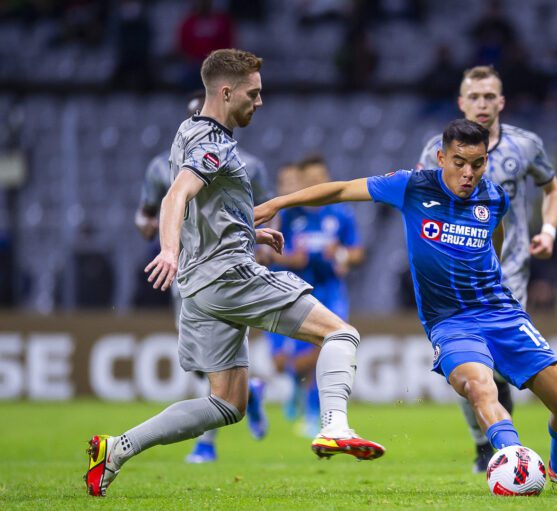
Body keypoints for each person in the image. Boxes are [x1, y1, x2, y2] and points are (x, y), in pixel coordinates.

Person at [85, 49, 384, 498]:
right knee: (341, 335)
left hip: (200, 284)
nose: (259, 102)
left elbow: (206, 207)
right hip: (228, 277)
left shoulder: (187, 132)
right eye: (254, 93)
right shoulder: (214, 144)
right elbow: (175, 198)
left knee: (227, 404)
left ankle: (116, 449)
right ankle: (334, 427)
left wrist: (249, 233)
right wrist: (167, 249)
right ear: (226, 92)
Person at [255, 119, 557, 492]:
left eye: (478, 163)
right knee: (481, 389)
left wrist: (493, 274)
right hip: (450, 323)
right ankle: (513, 460)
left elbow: (494, 235)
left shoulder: (494, 197)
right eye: (459, 162)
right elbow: (339, 190)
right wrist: (276, 203)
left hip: (501, 312)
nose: (468, 173)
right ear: (441, 157)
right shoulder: (412, 186)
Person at [417, 65, 557, 473]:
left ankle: (499, 443)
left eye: (489, 97)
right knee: (473, 367)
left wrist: (549, 230)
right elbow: (419, 200)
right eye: (474, 97)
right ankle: (486, 443)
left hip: (509, 273)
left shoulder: (526, 145)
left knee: (493, 368)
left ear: (502, 102)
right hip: (455, 282)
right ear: (461, 103)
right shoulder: (436, 149)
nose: (482, 104)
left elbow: (552, 188)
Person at [135, 90, 272, 464]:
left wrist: (255, 238)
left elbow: (261, 211)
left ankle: (206, 443)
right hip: (183, 271)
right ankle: (250, 392)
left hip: (226, 269)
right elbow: (146, 214)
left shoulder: (248, 165)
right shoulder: (161, 168)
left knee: (213, 363)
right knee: (202, 362)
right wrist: (157, 231)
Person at [267, 156, 364, 437]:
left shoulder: (341, 214)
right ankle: (297, 385)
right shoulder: (288, 214)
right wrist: (288, 259)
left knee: (329, 346)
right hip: (290, 291)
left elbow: (356, 252)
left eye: (321, 178)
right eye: (310, 180)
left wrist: (342, 255)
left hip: (330, 291)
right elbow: (263, 253)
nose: (316, 184)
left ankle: (313, 413)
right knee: (282, 363)